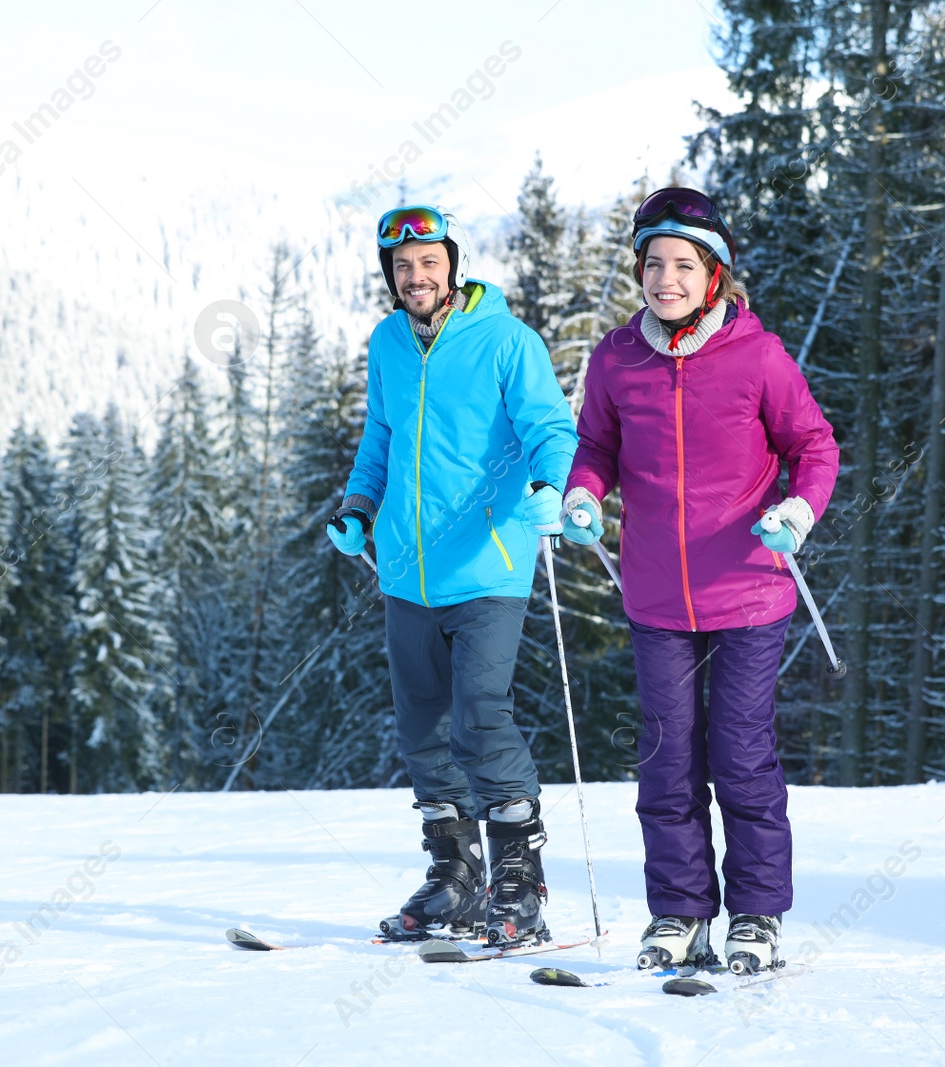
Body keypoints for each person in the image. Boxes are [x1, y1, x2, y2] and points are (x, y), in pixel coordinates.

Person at [561, 187, 839, 974]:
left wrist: (797, 511)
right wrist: (583, 491)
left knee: (742, 755)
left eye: (684, 264)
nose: (666, 279)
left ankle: (755, 915)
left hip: (749, 590)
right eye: (654, 264)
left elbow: (815, 447)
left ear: (714, 274)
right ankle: (679, 912)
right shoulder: (618, 358)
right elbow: (596, 447)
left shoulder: (757, 355)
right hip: (656, 598)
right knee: (666, 757)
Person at [326, 205, 578, 946]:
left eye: (428, 262)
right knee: (422, 727)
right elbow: (381, 433)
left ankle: (517, 882)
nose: (416, 276)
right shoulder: (387, 343)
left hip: (490, 564)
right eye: (402, 267)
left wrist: (550, 486)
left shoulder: (505, 339)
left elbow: (549, 427)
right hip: (407, 572)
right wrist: (358, 506)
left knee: (479, 712)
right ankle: (455, 877)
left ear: (452, 264)